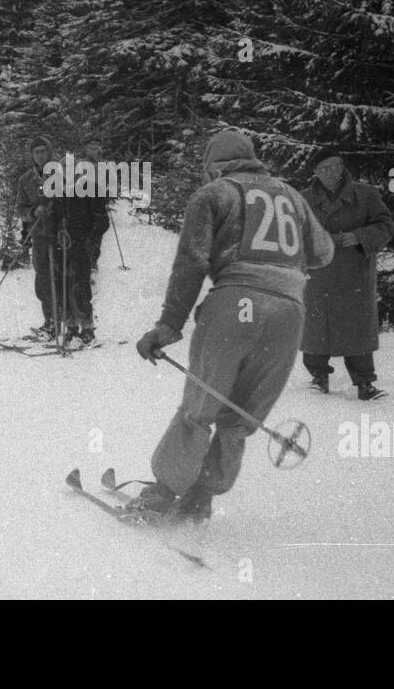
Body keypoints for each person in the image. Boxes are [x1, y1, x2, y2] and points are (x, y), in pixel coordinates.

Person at [132, 130, 335, 521]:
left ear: (213, 164)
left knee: (202, 403)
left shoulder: (215, 194)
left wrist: (168, 327)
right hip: (289, 312)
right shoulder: (291, 195)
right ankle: (202, 497)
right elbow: (323, 252)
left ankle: (163, 493)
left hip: (236, 303)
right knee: (241, 413)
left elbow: (191, 262)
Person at [299, 148, 394, 400]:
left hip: (355, 272)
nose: (332, 172)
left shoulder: (366, 195)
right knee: (317, 326)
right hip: (318, 274)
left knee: (357, 329)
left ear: (343, 166)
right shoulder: (303, 199)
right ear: (315, 172)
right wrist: (322, 240)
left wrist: (359, 236)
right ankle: (318, 377)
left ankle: (365, 383)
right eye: (325, 168)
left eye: (336, 165)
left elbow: (386, 225)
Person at [48, 159, 109, 345]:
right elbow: (52, 219)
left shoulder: (90, 189)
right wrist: (53, 237)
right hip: (62, 246)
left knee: (80, 287)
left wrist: (91, 241)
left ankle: (87, 327)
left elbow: (102, 221)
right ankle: (71, 326)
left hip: (82, 246)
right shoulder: (58, 192)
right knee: (63, 286)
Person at [16, 137, 59, 338]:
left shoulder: (62, 176)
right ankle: (49, 320)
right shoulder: (26, 180)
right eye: (36, 152)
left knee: (61, 277)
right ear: (32, 155)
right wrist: (33, 212)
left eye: (43, 151)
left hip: (60, 235)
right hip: (39, 234)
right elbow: (21, 208)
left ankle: (68, 321)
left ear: (49, 152)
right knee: (42, 278)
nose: (40, 155)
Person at [79, 137, 110, 269]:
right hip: (83, 203)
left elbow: (110, 184)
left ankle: (93, 261)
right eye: (91, 148)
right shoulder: (81, 164)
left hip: (98, 202)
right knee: (85, 231)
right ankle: (86, 260)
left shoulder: (103, 166)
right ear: (86, 150)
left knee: (98, 230)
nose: (93, 151)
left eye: (96, 148)